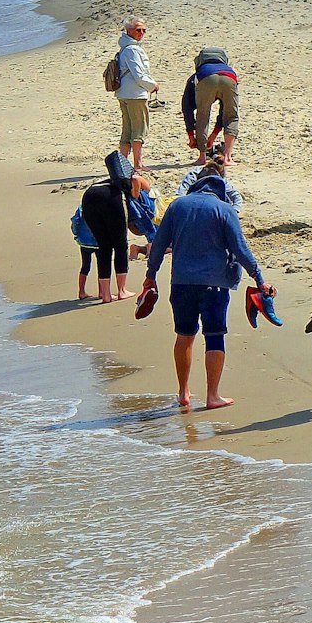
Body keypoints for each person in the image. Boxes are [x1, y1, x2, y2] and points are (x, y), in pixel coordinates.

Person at [142, 163, 273, 410]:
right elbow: (240, 249)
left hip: (181, 282)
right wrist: (259, 279)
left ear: (197, 182)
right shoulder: (225, 210)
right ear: (220, 184)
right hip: (214, 285)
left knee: (184, 335)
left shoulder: (177, 206)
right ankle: (213, 395)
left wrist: (151, 275)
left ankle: (183, 392)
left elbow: (158, 245)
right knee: (214, 337)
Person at [78, 153, 157, 302]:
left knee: (103, 247)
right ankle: (122, 291)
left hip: (89, 196)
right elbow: (137, 182)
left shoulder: (106, 181)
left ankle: (106, 295)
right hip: (112, 200)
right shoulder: (136, 179)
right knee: (120, 246)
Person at [114, 16, 158, 170]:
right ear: (128, 30)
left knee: (127, 129)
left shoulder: (125, 47)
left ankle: (123, 164)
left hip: (124, 93)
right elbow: (138, 74)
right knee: (138, 129)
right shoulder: (132, 49)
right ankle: (137, 165)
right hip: (135, 95)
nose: (142, 33)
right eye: (138, 30)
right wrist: (153, 86)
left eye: (144, 30)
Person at [180, 48, 238, 165]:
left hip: (205, 78)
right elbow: (224, 112)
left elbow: (187, 108)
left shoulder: (196, 75)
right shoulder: (227, 69)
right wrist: (214, 134)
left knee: (203, 116)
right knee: (232, 117)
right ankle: (227, 158)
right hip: (230, 78)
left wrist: (191, 135)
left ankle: (202, 157)